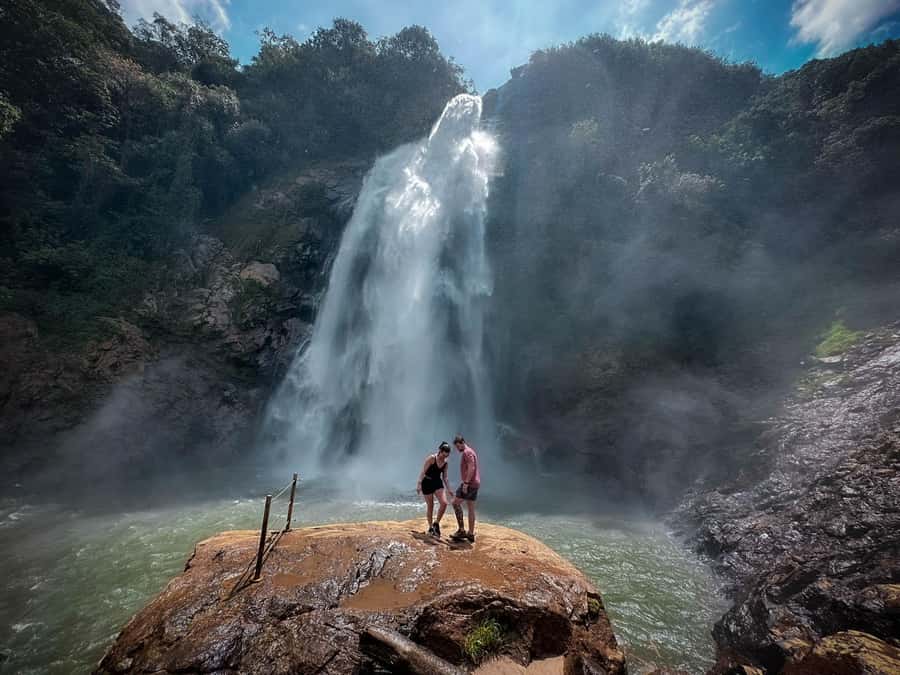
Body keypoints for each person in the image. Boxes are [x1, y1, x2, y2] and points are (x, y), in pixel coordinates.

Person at [417, 441, 451, 537]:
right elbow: (423, 471)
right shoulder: (432, 458)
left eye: (446, 456)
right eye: (443, 455)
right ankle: (430, 527)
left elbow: (445, 477)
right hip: (427, 482)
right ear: (440, 451)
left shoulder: (445, 463)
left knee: (444, 503)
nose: (444, 457)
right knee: (430, 506)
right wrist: (419, 484)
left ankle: (436, 523)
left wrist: (449, 489)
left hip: (437, 482)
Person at [450, 434, 480, 542]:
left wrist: (466, 483)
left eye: (458, 446)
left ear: (462, 443)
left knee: (455, 503)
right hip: (475, 483)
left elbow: (472, 467)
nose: (457, 449)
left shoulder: (467, 452)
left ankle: (461, 531)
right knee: (471, 508)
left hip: (469, 483)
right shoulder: (471, 451)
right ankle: (470, 533)